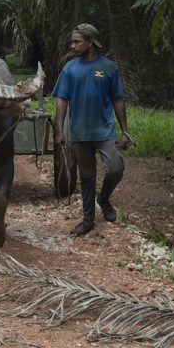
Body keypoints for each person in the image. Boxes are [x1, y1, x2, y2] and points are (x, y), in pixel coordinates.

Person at [52, 23, 132, 236]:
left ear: (90, 42)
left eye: (77, 41)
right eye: (73, 41)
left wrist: (125, 130)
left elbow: (118, 100)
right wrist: (59, 130)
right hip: (80, 132)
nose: (73, 45)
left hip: (105, 130)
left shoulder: (108, 68)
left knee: (115, 168)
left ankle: (103, 198)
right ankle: (88, 219)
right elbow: (61, 100)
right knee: (87, 176)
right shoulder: (70, 68)